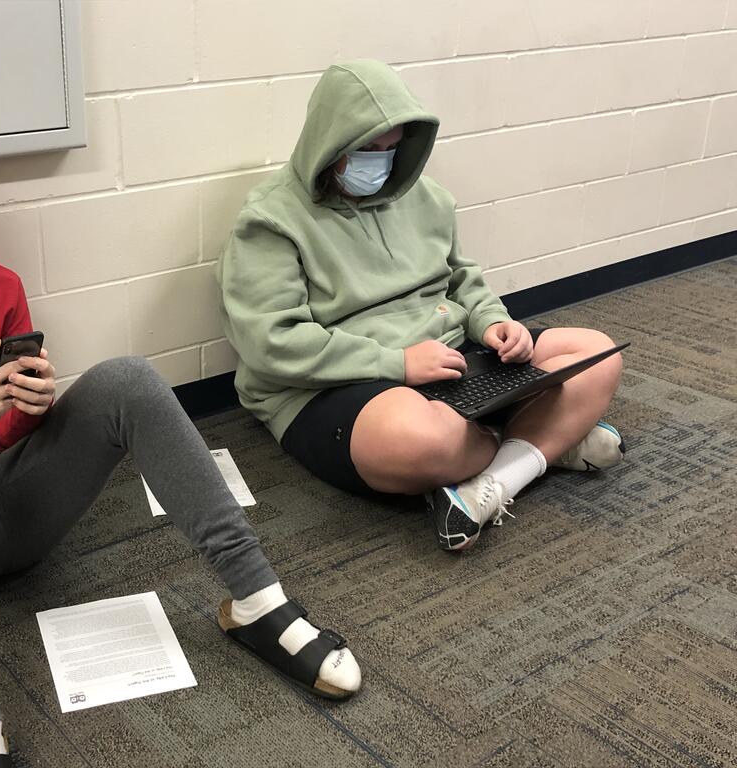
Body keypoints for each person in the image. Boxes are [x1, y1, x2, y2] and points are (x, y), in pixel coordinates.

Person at [0, 116, 361, 768]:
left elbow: (15, 433)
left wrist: (28, 409)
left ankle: (260, 603)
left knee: (127, 378)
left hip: (12, 509)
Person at [216, 60, 625, 553]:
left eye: (391, 150)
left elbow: (462, 280)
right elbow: (272, 343)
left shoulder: (425, 196)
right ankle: (542, 441)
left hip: (448, 355)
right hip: (337, 380)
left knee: (597, 354)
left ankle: (488, 483)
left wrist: (492, 321)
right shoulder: (269, 220)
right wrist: (398, 364)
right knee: (422, 440)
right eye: (367, 151)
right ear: (328, 143)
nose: (381, 164)